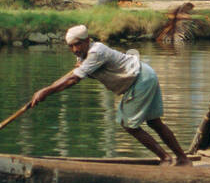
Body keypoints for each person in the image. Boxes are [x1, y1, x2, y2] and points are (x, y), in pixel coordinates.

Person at [27, 25, 191, 165]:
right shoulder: (82, 55)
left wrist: (46, 91)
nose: (75, 49)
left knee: (128, 124)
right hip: (143, 75)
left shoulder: (96, 52)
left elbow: (73, 79)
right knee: (154, 122)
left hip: (141, 79)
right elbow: (72, 75)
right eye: (71, 46)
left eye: (78, 44)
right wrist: (47, 89)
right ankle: (182, 159)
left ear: (87, 40)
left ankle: (166, 158)